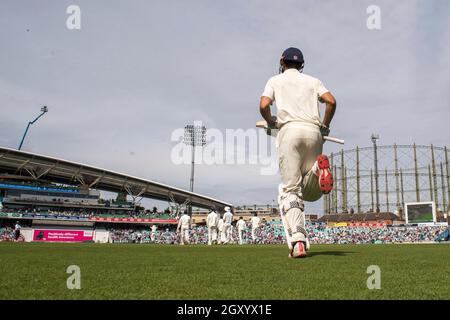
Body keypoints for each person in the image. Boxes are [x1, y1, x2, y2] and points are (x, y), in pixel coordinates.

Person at [260, 47, 337, 258]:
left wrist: (270, 122)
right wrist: (324, 126)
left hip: (289, 132)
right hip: (314, 134)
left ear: (282, 62)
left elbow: (264, 104)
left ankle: (299, 242)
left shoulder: (275, 80)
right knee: (311, 192)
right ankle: (316, 172)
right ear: (301, 64)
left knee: (291, 189)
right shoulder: (313, 81)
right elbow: (331, 101)